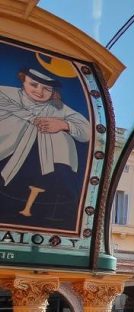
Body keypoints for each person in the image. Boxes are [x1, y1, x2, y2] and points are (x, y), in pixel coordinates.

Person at [0, 62, 91, 232]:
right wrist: (34, 119)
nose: (39, 92)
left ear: (53, 92)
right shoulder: (6, 93)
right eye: (34, 84)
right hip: (6, 155)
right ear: (23, 80)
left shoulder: (59, 108)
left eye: (46, 89)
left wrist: (63, 124)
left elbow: (87, 131)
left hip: (42, 167)